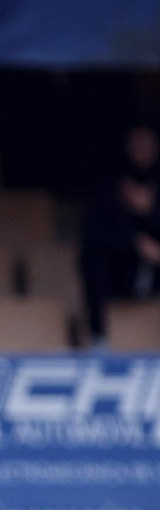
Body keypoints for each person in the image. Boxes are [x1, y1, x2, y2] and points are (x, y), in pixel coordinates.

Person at [79, 126, 160, 348]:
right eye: (138, 146)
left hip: (155, 273)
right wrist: (136, 244)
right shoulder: (110, 189)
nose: (143, 152)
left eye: (148, 146)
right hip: (122, 271)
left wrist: (150, 211)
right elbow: (95, 236)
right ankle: (99, 339)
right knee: (93, 261)